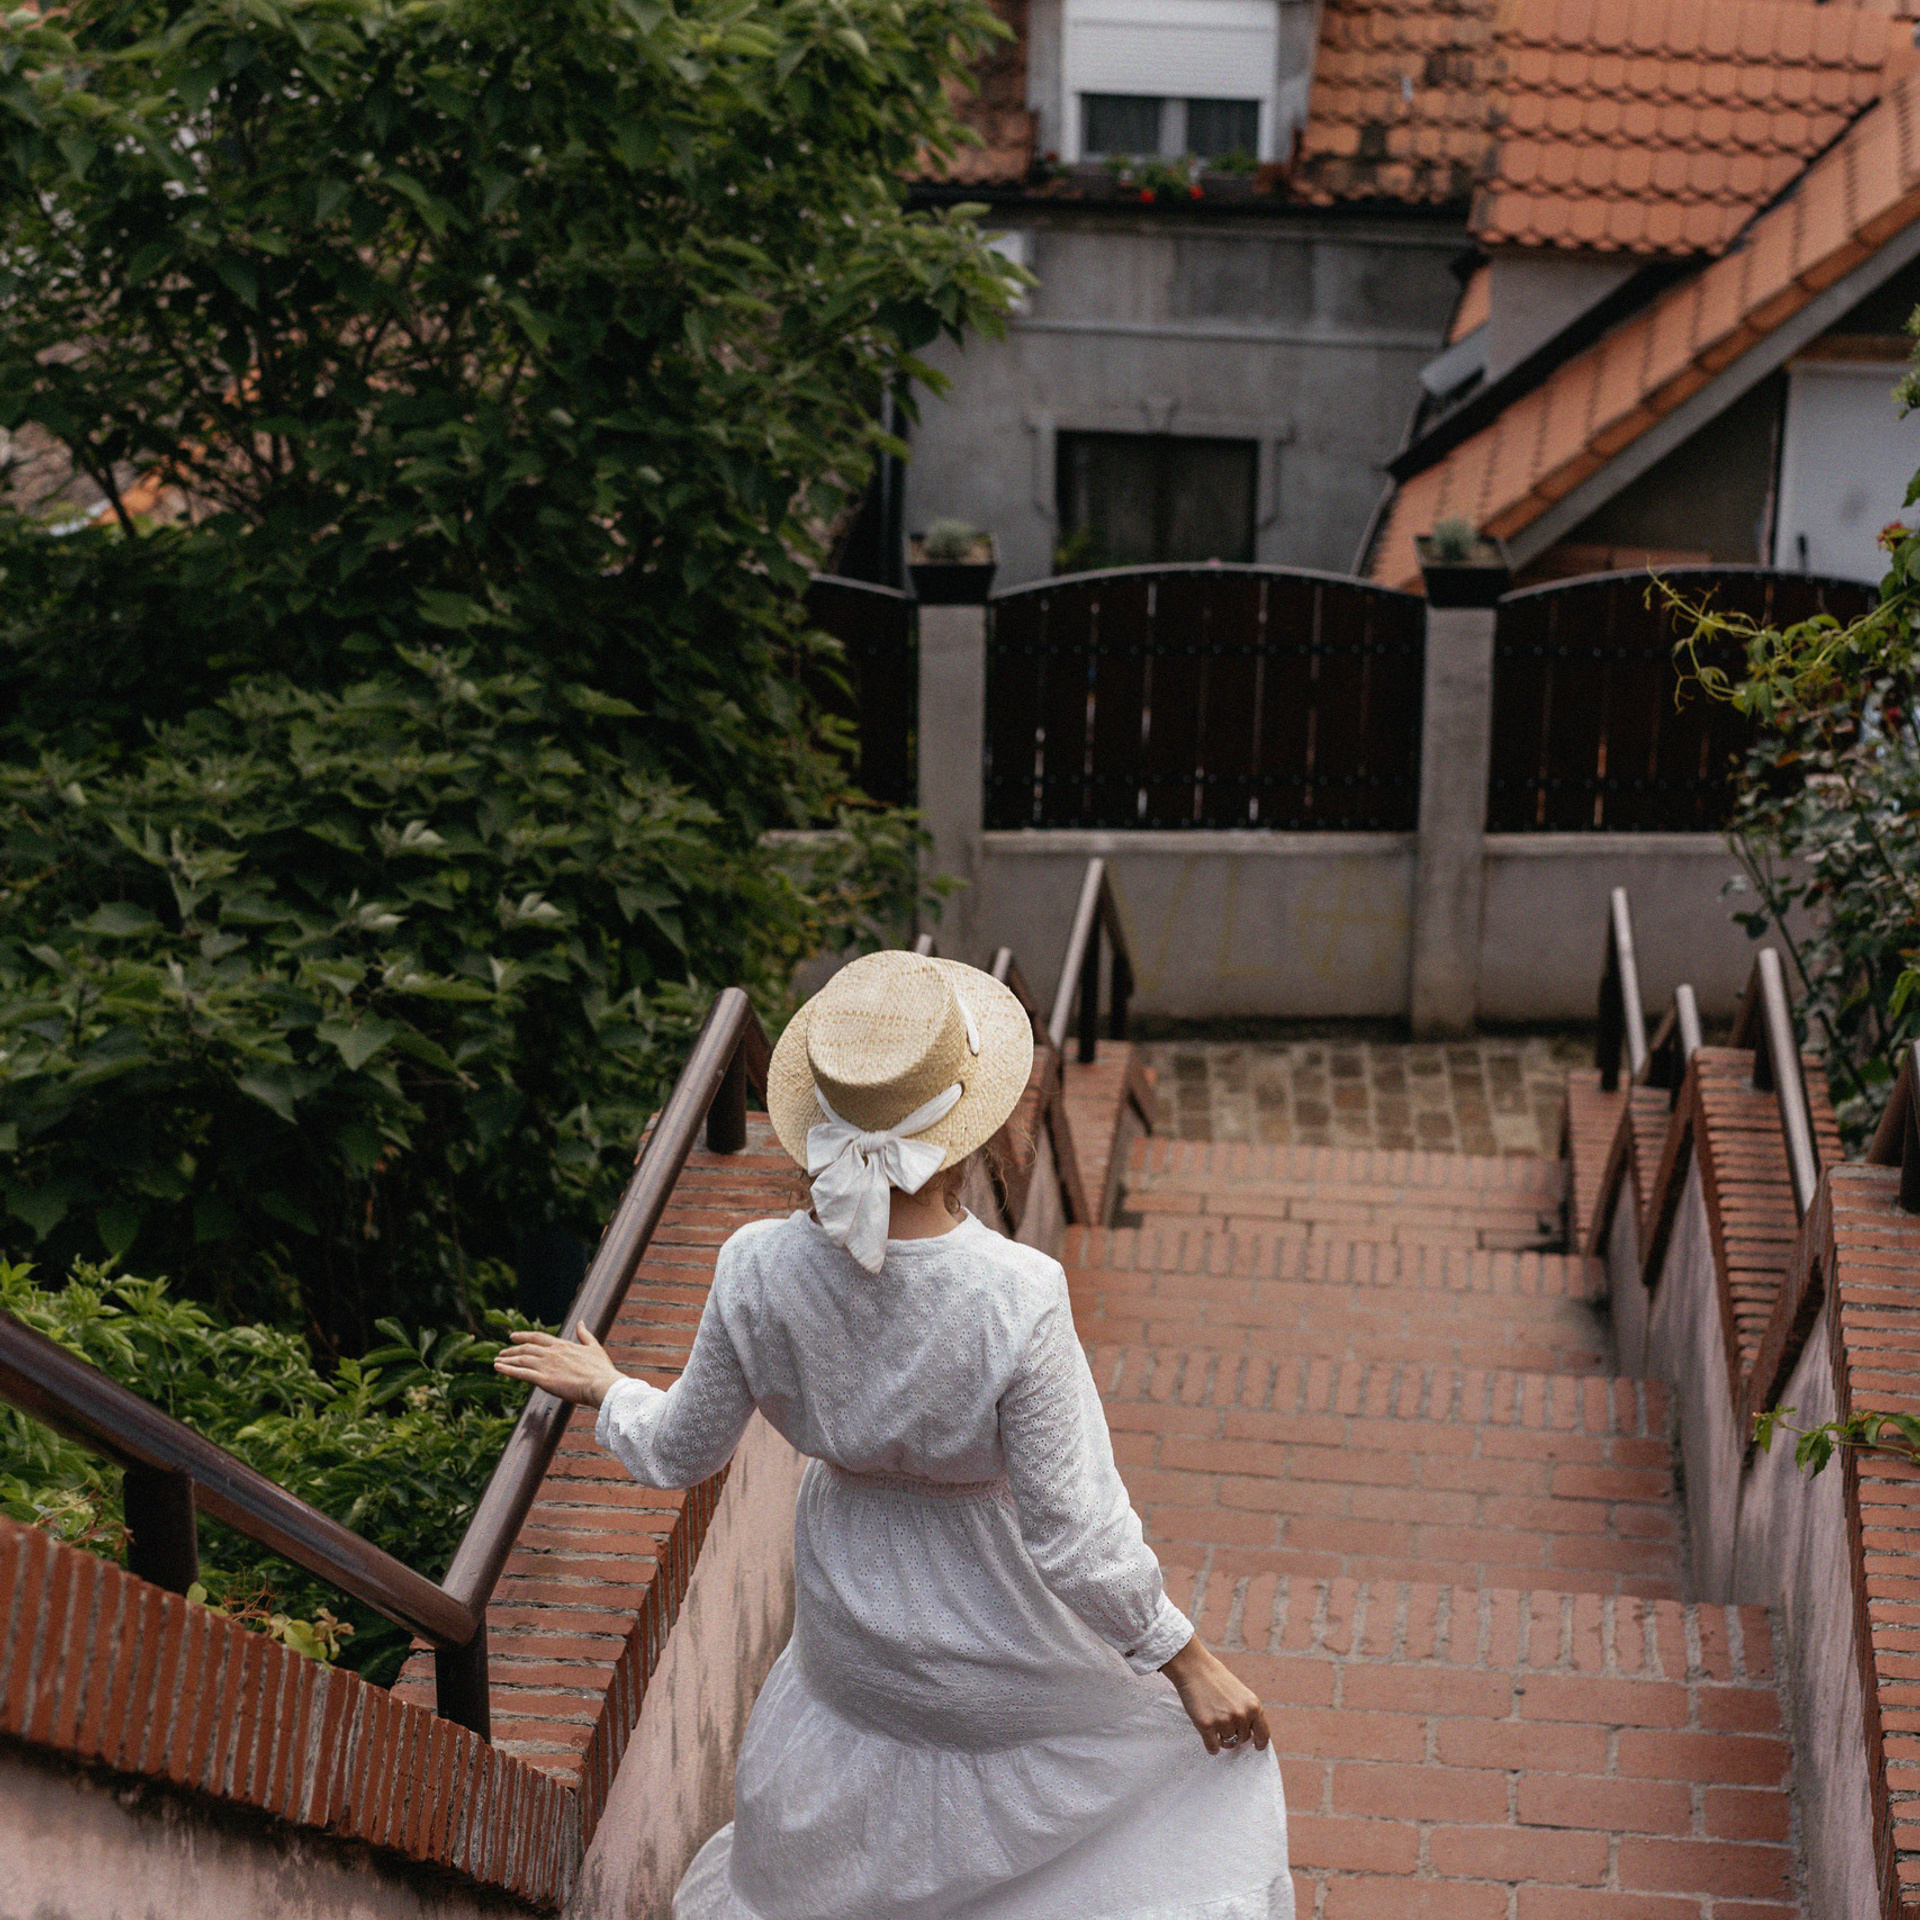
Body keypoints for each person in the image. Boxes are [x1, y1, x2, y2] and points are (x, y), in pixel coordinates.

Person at [496, 950, 1292, 1918]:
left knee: (866, 1829)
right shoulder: (1016, 1295)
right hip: (996, 1629)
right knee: (1148, 1784)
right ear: (963, 1127)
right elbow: (1074, 1535)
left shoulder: (756, 1265)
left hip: (855, 1634)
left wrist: (610, 1387)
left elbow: (681, 1451)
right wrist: (1188, 1662)